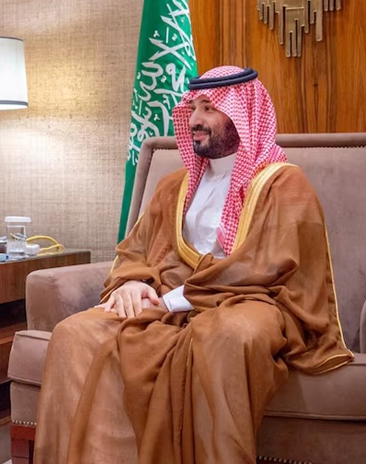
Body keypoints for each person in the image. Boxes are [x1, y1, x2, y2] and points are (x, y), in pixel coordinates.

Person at [34, 66, 352, 464]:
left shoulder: (283, 184)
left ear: (241, 115)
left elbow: (270, 267)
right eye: (193, 108)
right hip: (164, 299)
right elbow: (136, 249)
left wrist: (180, 299)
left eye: (209, 108)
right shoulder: (175, 185)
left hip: (250, 301)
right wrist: (131, 282)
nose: (195, 119)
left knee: (228, 337)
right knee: (74, 333)